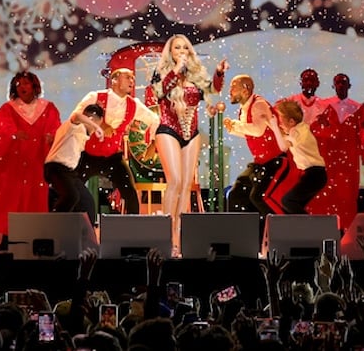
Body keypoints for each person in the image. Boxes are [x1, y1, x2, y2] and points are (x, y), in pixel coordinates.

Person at [150, 35, 227, 252]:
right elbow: (159, 91)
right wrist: (177, 70)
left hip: (191, 132)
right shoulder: (162, 72)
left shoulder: (195, 74)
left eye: (185, 47)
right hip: (168, 129)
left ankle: (178, 237)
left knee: (185, 185)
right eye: (177, 48)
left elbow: (213, 89)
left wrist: (219, 72)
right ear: (170, 52)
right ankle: (164, 236)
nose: (182, 51)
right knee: (174, 180)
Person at [0, 71, 60, 249]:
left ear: (34, 86)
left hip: (36, 161)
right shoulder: (7, 109)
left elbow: (54, 127)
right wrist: (12, 134)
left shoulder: (48, 108)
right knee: (8, 199)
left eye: (26, 83)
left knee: (35, 196)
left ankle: (35, 238)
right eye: (18, 84)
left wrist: (51, 137)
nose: (22, 87)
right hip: (13, 163)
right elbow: (4, 129)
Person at [71, 68, 159, 215]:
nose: (132, 81)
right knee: (71, 191)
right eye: (127, 77)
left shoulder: (134, 105)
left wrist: (153, 143)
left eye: (133, 78)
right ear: (115, 80)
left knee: (130, 194)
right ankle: (68, 225)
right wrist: (99, 124)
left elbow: (155, 119)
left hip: (113, 157)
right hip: (88, 155)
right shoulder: (95, 96)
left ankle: (133, 230)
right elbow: (76, 115)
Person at [221, 74, 283, 221]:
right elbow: (252, 134)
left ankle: (279, 229)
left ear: (245, 90)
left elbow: (258, 130)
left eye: (233, 88)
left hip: (274, 162)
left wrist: (236, 124)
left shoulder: (258, 104)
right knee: (237, 194)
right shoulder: (244, 108)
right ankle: (242, 235)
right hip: (261, 163)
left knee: (258, 197)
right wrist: (233, 129)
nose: (230, 92)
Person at [311, 73, 364, 227]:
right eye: (338, 83)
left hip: (349, 159)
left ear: (349, 86)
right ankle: (324, 228)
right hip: (329, 156)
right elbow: (315, 130)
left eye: (343, 82)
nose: (340, 85)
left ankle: (347, 228)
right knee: (326, 192)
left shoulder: (357, 108)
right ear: (333, 86)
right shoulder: (325, 106)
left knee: (347, 194)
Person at [44, 103, 106, 222]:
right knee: (71, 196)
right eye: (97, 125)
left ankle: (85, 233)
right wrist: (96, 126)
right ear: (91, 119)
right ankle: (52, 225)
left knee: (86, 201)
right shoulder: (76, 126)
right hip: (57, 168)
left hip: (67, 172)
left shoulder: (79, 132)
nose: (94, 131)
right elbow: (76, 116)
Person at [268, 99, 328, 214]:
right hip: (314, 174)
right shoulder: (300, 129)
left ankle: (308, 228)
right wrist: (270, 124)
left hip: (314, 175)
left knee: (288, 201)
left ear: (291, 121)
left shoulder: (297, 133)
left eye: (281, 121)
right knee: (294, 204)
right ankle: (303, 228)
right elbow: (284, 136)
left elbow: (283, 146)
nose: (280, 124)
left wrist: (274, 126)